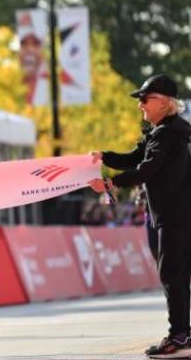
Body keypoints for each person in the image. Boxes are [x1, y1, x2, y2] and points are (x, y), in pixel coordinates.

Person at [88, 73, 191, 359]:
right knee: (178, 274)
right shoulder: (165, 132)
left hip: (175, 216)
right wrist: (104, 157)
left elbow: (146, 171)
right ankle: (184, 333)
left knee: (172, 273)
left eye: (145, 99)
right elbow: (136, 157)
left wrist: (109, 184)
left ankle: (179, 336)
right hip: (177, 214)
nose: (140, 105)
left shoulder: (167, 134)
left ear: (164, 103)